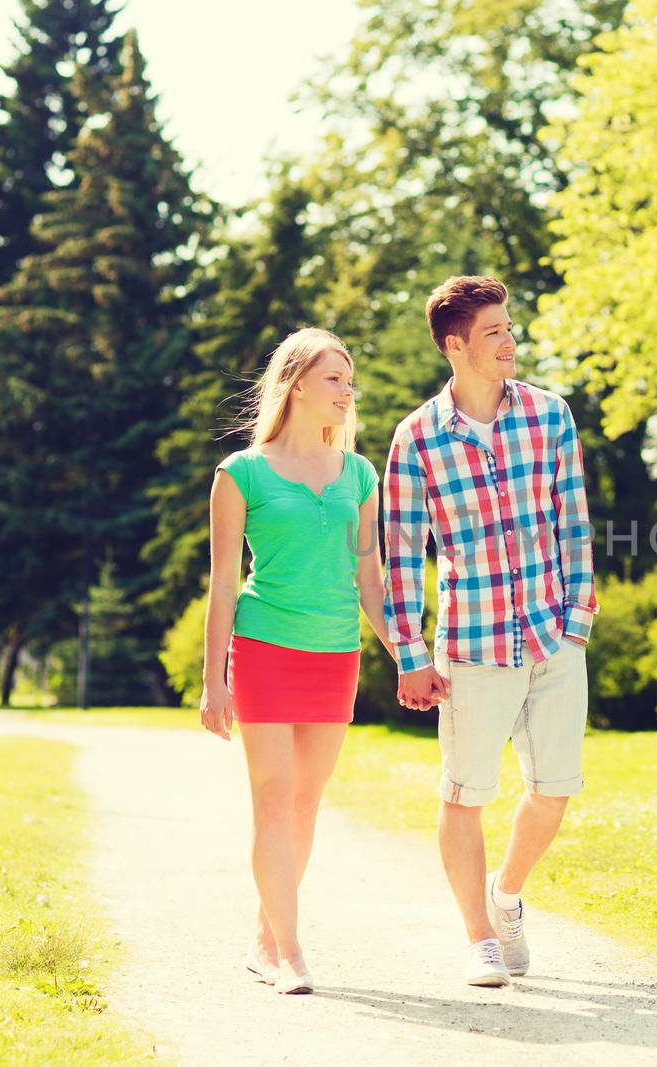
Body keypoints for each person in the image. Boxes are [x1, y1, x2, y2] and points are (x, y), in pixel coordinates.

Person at [382, 275, 598, 987]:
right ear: (455, 345)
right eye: (495, 332)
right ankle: (477, 936)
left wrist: (577, 624)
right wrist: (410, 655)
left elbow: (573, 522)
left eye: (510, 328)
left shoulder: (549, 415)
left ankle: (505, 895)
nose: (510, 341)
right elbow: (402, 553)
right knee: (464, 793)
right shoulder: (416, 438)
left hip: (552, 637)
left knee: (556, 787)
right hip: (473, 644)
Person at [200, 327, 393, 995]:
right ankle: (289, 948)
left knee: (306, 803)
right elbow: (224, 583)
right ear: (298, 383)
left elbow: (372, 581)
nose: (348, 390)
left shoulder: (361, 474)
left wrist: (409, 655)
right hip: (263, 650)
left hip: (334, 652)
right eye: (335, 378)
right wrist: (213, 680)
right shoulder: (241, 474)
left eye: (349, 378)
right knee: (274, 798)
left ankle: (263, 932)